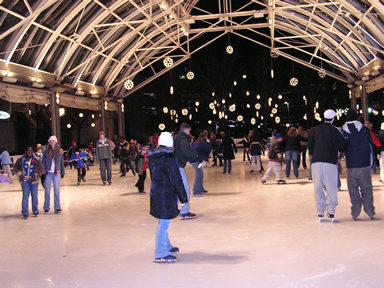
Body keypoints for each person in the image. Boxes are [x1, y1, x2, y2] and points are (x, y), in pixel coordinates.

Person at [148, 132, 188, 263]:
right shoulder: (170, 158)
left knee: (163, 220)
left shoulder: (153, 157)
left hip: (156, 193)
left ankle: (166, 245)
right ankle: (161, 253)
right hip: (166, 195)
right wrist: (183, 198)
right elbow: (177, 179)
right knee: (164, 223)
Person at [308, 109, 347, 222]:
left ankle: (320, 211)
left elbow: (310, 145)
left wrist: (315, 153)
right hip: (330, 162)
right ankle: (331, 211)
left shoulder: (316, 130)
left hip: (316, 162)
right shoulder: (335, 130)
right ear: (333, 118)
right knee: (331, 187)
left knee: (318, 187)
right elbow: (343, 144)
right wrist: (338, 151)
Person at [342, 110, 375, 220]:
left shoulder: (344, 131)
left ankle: (355, 211)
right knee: (366, 188)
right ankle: (370, 210)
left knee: (353, 189)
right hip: (364, 163)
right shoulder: (365, 129)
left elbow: (342, 147)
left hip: (352, 165)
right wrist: (371, 163)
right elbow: (371, 147)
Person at [173, 122, 199, 220]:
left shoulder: (176, 137)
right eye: (189, 130)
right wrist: (196, 155)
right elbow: (185, 150)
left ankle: (173, 208)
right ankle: (184, 212)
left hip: (174, 165)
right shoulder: (183, 138)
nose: (189, 132)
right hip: (178, 166)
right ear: (186, 129)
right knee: (185, 188)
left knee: (177, 188)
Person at [13, 146, 44, 219]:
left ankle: (35, 210)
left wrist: (37, 174)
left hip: (34, 181)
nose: (29, 152)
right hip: (25, 181)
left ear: (33, 151)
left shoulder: (36, 159)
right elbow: (15, 168)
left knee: (34, 196)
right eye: (28, 150)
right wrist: (20, 175)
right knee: (25, 196)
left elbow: (42, 169)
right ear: (26, 151)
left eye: (31, 150)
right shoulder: (21, 160)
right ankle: (24, 212)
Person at [42, 135, 65, 214]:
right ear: (49, 142)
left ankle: (57, 207)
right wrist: (44, 171)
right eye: (50, 141)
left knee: (56, 191)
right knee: (47, 191)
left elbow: (61, 162)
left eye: (53, 141)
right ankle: (46, 207)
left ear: (56, 142)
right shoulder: (46, 151)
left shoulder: (59, 151)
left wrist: (62, 171)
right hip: (48, 173)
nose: (52, 142)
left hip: (56, 173)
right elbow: (43, 162)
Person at [191, 131, 211, 196]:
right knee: (199, 175)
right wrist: (208, 142)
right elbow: (208, 150)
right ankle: (196, 191)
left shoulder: (196, 142)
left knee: (200, 174)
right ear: (205, 136)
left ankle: (200, 188)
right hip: (197, 160)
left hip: (194, 160)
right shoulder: (202, 143)